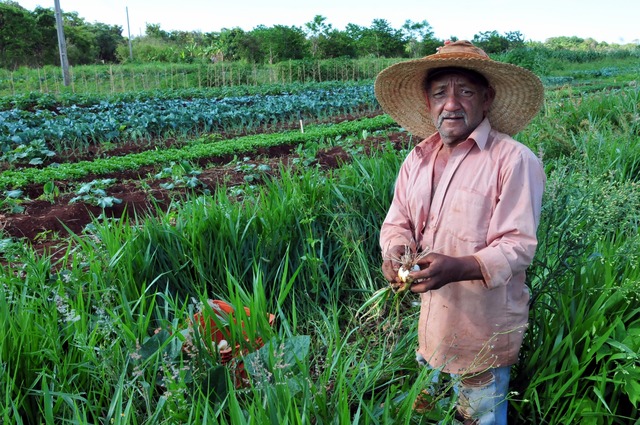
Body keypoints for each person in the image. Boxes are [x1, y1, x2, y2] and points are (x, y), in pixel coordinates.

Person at [374, 40, 546, 424]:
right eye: (440, 93)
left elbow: (518, 246)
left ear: (486, 99)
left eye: (465, 92)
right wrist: (395, 252)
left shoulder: (513, 160)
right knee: (429, 407)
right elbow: (397, 219)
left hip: (482, 330)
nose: (451, 104)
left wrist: (460, 267)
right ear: (428, 101)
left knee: (477, 416)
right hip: (432, 323)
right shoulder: (417, 158)